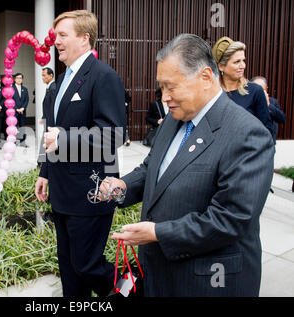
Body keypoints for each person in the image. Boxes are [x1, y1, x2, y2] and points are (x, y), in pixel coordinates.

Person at [98, 34, 274, 297]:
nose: (165, 97)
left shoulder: (247, 134)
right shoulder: (174, 118)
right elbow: (152, 169)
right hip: (160, 273)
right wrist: (123, 186)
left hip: (208, 280)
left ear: (205, 77)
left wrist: (158, 233)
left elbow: (230, 219)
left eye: (171, 87)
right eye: (161, 88)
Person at [34, 10, 126, 297]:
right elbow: (52, 131)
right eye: (56, 35)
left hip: (91, 191)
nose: (56, 42)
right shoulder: (60, 82)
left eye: (63, 35)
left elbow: (115, 134)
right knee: (70, 267)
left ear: (85, 39)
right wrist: (44, 172)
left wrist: (65, 138)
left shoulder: (103, 77)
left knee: (88, 265)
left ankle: (134, 289)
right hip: (62, 192)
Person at [212, 37, 273, 137]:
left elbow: (267, 130)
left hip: (247, 151)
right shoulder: (211, 94)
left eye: (243, 60)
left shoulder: (255, 91)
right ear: (221, 66)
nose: (242, 66)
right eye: (236, 62)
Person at [251, 76, 286, 145]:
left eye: (261, 89)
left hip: (268, 142)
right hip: (250, 142)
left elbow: (282, 118)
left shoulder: (273, 102)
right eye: (256, 89)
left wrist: (268, 105)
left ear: (266, 89)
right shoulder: (247, 101)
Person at [12, 73, 29, 146]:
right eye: (17, 78)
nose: (19, 79)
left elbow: (26, 100)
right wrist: (16, 109)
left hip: (22, 111)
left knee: (22, 127)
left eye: (20, 78)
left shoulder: (25, 89)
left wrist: (23, 108)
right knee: (13, 127)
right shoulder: (11, 89)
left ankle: (23, 142)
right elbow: (10, 100)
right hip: (14, 112)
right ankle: (13, 141)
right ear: (15, 79)